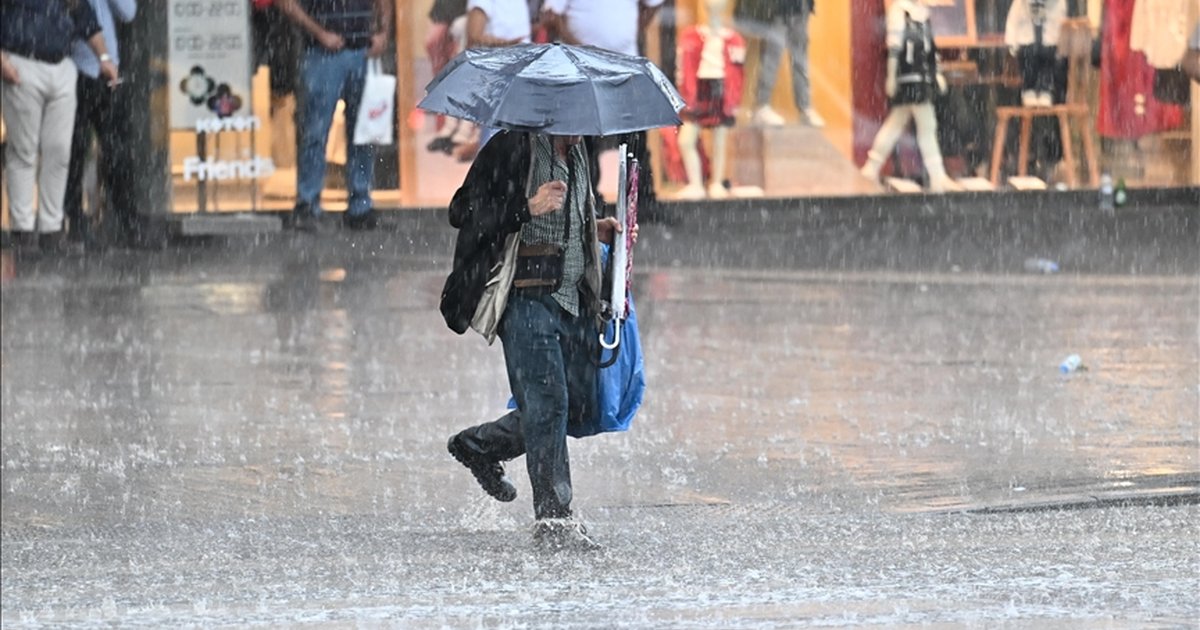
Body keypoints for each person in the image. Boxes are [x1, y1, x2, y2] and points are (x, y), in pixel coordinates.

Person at [440, 129, 627, 552]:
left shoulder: (580, 152)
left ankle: (480, 446)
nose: (579, 125)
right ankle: (555, 521)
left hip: (573, 297)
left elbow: (567, 220)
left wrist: (593, 228)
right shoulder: (512, 147)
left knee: (575, 404)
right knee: (548, 405)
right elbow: (463, 209)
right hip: (525, 298)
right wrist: (526, 207)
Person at [2, 0, 118, 256]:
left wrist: (104, 57)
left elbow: (86, 20)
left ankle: (51, 230)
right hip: (22, 61)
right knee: (23, 150)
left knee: (59, 151)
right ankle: (22, 231)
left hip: (62, 64)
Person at [276, 0, 392, 232]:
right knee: (316, 133)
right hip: (325, 52)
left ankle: (356, 205)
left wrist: (382, 33)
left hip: (355, 50)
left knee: (362, 132)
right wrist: (320, 33)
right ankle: (311, 204)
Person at [541, 0, 662, 213]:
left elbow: (654, 4)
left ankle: (641, 198)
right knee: (584, 138)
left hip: (624, 64)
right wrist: (579, 48)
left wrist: (634, 28)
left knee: (634, 136)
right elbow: (552, 15)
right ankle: (587, 199)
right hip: (582, 68)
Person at [63, 0, 137, 252]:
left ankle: (126, 219)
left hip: (108, 71)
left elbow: (128, 12)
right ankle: (75, 220)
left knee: (117, 148)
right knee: (74, 150)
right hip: (74, 67)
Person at [858, 0, 954, 193]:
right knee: (927, 125)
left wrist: (936, 73)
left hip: (922, 77)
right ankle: (938, 176)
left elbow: (930, 50)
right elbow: (894, 47)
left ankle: (871, 167)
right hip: (909, 77)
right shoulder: (900, 12)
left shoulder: (922, 14)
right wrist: (892, 77)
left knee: (895, 123)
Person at [675, 0, 746, 200]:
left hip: (722, 89)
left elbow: (739, 74)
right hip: (698, 89)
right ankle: (696, 183)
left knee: (720, 140)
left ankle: (716, 182)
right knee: (686, 139)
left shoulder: (733, 39)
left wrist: (734, 100)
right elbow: (683, 66)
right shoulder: (690, 36)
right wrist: (685, 95)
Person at [733, 0, 824, 127]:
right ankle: (761, 106)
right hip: (777, 9)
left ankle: (805, 108)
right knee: (771, 58)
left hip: (800, 7)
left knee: (799, 60)